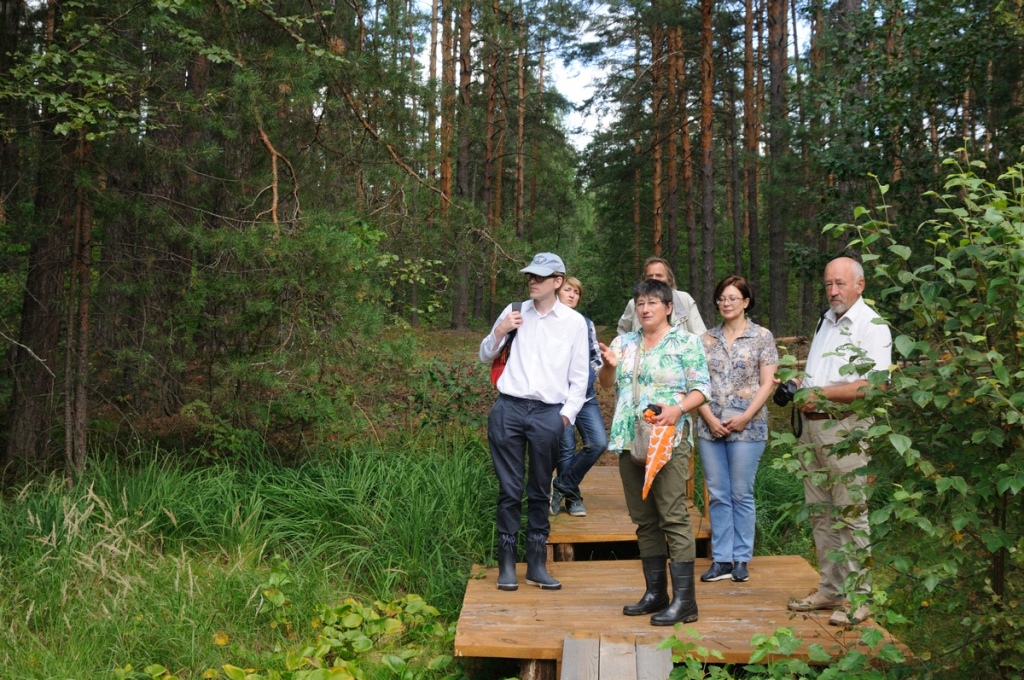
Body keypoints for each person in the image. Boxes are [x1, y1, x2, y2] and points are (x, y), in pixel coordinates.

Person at [785, 256, 892, 626]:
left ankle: (860, 599)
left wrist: (823, 394)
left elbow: (872, 386)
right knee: (821, 514)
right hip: (812, 429)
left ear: (860, 285)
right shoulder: (825, 320)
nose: (832, 291)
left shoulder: (871, 325)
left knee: (850, 514)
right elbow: (822, 374)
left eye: (840, 284)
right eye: (828, 283)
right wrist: (802, 384)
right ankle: (831, 590)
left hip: (846, 429)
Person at [599, 278, 711, 626]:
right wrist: (610, 364)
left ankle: (685, 602)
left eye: (652, 303)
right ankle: (655, 594)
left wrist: (677, 410)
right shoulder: (624, 342)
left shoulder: (687, 342)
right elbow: (605, 385)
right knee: (644, 519)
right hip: (631, 439)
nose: (645, 309)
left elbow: (702, 388)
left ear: (668, 308)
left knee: (673, 516)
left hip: (669, 441)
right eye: (640, 303)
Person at [479, 252, 590, 592]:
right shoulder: (515, 311)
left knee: (540, 490)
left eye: (540, 277)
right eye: (530, 275)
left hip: (548, 414)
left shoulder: (574, 322)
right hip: (508, 410)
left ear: (558, 281)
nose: (532, 281)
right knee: (510, 490)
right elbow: (484, 353)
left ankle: (537, 564)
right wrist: (500, 330)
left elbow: (580, 377)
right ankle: (507, 564)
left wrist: (565, 418)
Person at [695, 275, 778, 584]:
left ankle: (741, 558)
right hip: (710, 426)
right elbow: (695, 383)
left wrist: (744, 417)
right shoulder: (705, 339)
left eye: (733, 298)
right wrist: (709, 418)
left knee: (741, 492)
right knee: (718, 494)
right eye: (722, 298)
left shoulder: (762, 337)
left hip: (749, 427)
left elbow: (767, 382)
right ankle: (721, 559)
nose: (726, 303)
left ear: (745, 301)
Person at [551, 277, 608, 517]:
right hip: (558, 399)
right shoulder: (548, 323)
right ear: (557, 291)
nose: (572, 295)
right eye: (568, 290)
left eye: (576, 292)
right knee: (565, 449)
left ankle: (561, 486)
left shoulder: (585, 323)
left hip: (584, 396)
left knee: (598, 443)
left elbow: (596, 356)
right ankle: (573, 500)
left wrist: (588, 378)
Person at [616, 256, 707, 336]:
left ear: (669, 279)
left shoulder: (684, 299)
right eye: (650, 276)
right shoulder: (634, 304)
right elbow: (622, 331)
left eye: (659, 275)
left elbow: (700, 335)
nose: (654, 279)